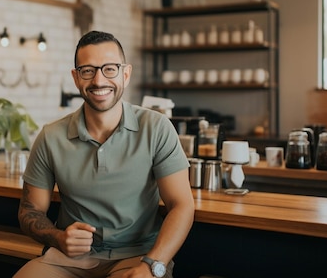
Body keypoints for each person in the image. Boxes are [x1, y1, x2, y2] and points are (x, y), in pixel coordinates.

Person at [14, 30, 194, 278]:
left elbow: (182, 205)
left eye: (109, 69)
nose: (99, 81)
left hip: (139, 257)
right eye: (88, 70)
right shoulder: (50, 136)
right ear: (76, 78)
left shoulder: (157, 127)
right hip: (68, 259)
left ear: (126, 74)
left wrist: (153, 264)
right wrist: (59, 237)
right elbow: (30, 210)